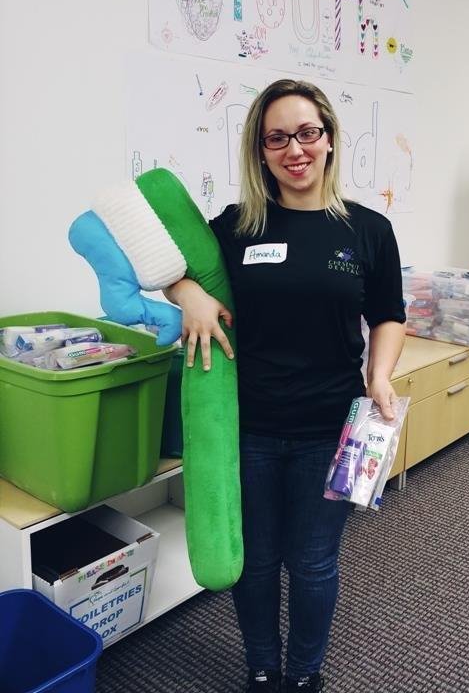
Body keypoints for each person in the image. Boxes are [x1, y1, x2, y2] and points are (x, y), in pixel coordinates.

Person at [166, 79, 406, 693]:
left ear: (328, 139)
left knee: (313, 562)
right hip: (248, 427)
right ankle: (261, 668)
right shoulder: (239, 225)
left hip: (331, 426)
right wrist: (188, 293)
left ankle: (302, 676)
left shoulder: (367, 230)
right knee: (257, 562)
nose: (294, 149)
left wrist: (379, 375)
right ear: (261, 150)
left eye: (306, 133)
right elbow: (171, 266)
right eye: (277, 138)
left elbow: (388, 313)